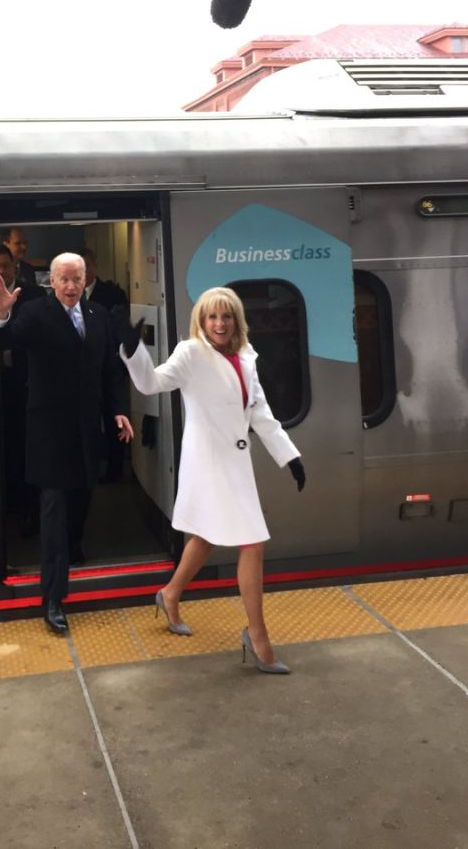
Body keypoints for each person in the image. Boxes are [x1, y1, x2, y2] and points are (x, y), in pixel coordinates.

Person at [115, 286, 306, 674]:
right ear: (201, 321)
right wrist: (134, 350)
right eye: (212, 317)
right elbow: (151, 383)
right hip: (208, 464)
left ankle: (169, 594)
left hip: (234, 464)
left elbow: (260, 414)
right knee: (252, 542)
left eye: (227, 316)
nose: (219, 324)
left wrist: (291, 457)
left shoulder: (246, 357)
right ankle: (257, 635)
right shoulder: (191, 354)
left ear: (237, 320)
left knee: (205, 536)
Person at [0, 253, 133, 634]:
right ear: (51, 280)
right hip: (49, 431)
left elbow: (110, 370)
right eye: (63, 279)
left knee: (82, 497)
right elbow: (6, 340)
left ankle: (75, 548)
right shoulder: (34, 312)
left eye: (77, 279)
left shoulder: (99, 316)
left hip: (87, 429)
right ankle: (52, 597)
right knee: (53, 510)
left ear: (86, 279)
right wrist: (2, 314)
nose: (70, 286)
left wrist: (118, 410)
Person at [0, 245, 44, 536]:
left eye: (5, 266)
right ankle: (8, 504)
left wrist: (8, 313)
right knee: (3, 446)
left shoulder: (33, 295)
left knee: (26, 447)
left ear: (15, 265)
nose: (1, 272)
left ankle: (29, 511)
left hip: (26, 382)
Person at [78, 247, 130, 483]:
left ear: (94, 266)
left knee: (113, 422)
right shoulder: (64, 297)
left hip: (108, 369)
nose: (83, 271)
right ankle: (87, 469)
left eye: (86, 265)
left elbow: (122, 329)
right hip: (79, 375)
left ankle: (115, 471)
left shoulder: (112, 294)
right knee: (84, 423)